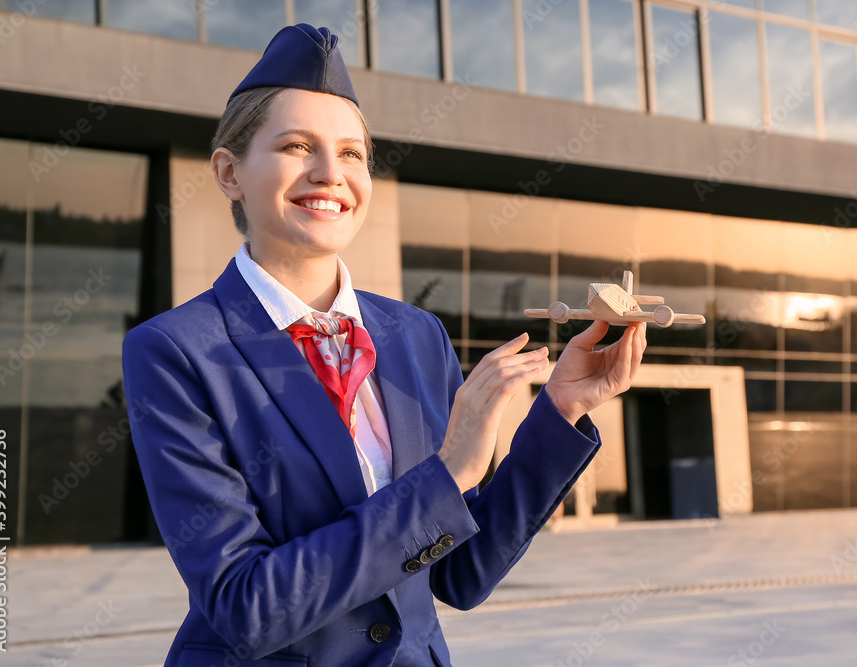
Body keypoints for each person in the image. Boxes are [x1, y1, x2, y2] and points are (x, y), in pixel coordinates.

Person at [121, 23, 647, 667]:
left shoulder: (414, 335)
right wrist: (448, 472)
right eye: (295, 145)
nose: (329, 173)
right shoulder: (177, 352)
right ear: (229, 172)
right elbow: (244, 605)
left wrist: (559, 411)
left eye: (351, 154)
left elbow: (460, 574)